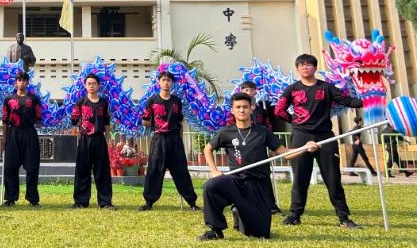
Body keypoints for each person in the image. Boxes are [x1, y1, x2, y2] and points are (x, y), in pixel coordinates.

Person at [197, 92, 320, 241]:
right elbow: (207, 149)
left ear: (251, 108)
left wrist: (305, 148)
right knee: (211, 186)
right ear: (232, 110)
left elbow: (284, 153)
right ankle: (215, 230)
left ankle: (239, 212)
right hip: (235, 181)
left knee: (261, 234)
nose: (242, 110)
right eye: (238, 107)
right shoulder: (226, 132)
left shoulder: (262, 132)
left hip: (258, 183)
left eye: (245, 107)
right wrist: (214, 171)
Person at [274, 53, 363, 229]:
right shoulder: (292, 89)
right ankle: (295, 215)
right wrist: (296, 122)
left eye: (308, 64)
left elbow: (346, 101)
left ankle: (344, 218)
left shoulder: (327, 88)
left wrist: (369, 100)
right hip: (300, 137)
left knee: (333, 178)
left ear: (315, 68)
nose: (305, 67)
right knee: (300, 178)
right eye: (301, 65)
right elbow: (279, 110)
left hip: (325, 137)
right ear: (297, 69)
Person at [137, 71, 199, 212]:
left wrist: (180, 140)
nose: (166, 82)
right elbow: (144, 121)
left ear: (172, 83)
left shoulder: (176, 101)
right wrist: (158, 124)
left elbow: (180, 122)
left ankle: (192, 202)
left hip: (175, 140)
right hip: (159, 139)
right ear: (159, 82)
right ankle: (149, 202)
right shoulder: (152, 100)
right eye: (163, 80)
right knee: (154, 170)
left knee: (181, 171)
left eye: (169, 80)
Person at [231, 81, 280, 214]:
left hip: (259, 148)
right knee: (239, 177)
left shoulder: (261, 111)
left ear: (255, 92)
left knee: (264, 177)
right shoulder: (237, 109)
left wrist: (272, 146)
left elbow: (268, 127)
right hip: (241, 148)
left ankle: (271, 206)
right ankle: (238, 203)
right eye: (245, 90)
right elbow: (230, 126)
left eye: (250, 90)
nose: (248, 92)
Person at [71, 74, 115, 210]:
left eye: (94, 83)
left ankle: (105, 202)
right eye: (89, 83)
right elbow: (73, 120)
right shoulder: (80, 102)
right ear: (85, 86)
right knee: (82, 171)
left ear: (98, 86)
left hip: (99, 139)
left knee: (102, 172)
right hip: (84, 140)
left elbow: (107, 123)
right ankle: (81, 201)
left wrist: (107, 139)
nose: (91, 86)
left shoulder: (103, 103)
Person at [0, 71, 42, 207]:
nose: (21, 82)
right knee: (10, 167)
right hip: (13, 134)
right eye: (19, 80)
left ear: (28, 82)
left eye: (24, 80)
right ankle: (11, 198)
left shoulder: (34, 99)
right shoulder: (9, 99)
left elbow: (38, 117)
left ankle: (32, 198)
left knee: (32, 167)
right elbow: (5, 121)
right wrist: (4, 138)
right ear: (15, 82)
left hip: (29, 133)